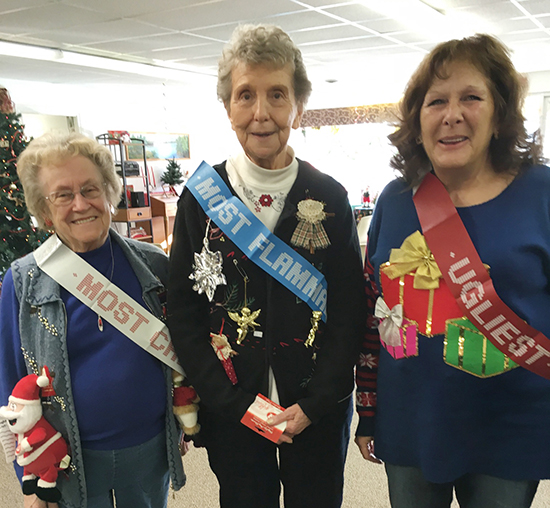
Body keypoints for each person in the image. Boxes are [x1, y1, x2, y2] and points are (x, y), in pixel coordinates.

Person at [167, 24, 365, 508]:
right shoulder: (200, 198)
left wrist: (314, 405)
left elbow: (348, 312)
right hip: (233, 407)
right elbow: (184, 314)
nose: (261, 113)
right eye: (245, 95)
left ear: (297, 106)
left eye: (277, 94)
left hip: (315, 408)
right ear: (228, 107)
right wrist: (233, 405)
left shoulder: (331, 197)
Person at [355, 34, 550, 508]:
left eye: (471, 97)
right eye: (435, 101)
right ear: (418, 120)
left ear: (500, 114)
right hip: (413, 421)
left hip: (511, 425)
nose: (452, 114)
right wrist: (369, 411)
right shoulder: (394, 200)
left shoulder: (542, 192)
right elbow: (371, 313)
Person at [0, 132, 185, 508]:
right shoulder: (22, 281)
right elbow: (8, 382)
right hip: (68, 459)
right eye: (63, 195)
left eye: (90, 189)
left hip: (148, 454)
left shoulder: (154, 265)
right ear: (44, 209)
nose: (81, 204)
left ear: (109, 193)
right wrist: (32, 476)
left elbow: (182, 350)